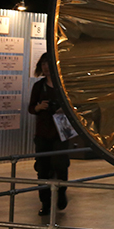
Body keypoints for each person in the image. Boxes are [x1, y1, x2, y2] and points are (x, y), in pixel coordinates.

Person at [27, 53, 70, 215]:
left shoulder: (63, 85)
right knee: (42, 169)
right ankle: (45, 203)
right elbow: (31, 108)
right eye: (43, 64)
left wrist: (63, 108)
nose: (45, 67)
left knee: (61, 165)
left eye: (48, 63)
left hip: (61, 131)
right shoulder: (39, 86)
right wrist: (38, 107)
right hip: (43, 132)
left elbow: (74, 106)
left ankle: (61, 193)